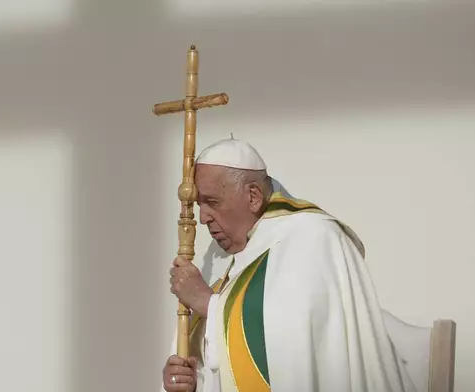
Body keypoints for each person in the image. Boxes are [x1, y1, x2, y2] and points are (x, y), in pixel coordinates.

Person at [161, 138, 416, 392]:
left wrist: (209, 305)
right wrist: (192, 381)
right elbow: (222, 369)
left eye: (212, 202)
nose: (203, 217)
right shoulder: (230, 258)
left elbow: (291, 347)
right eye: (199, 205)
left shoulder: (313, 236)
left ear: (253, 197)